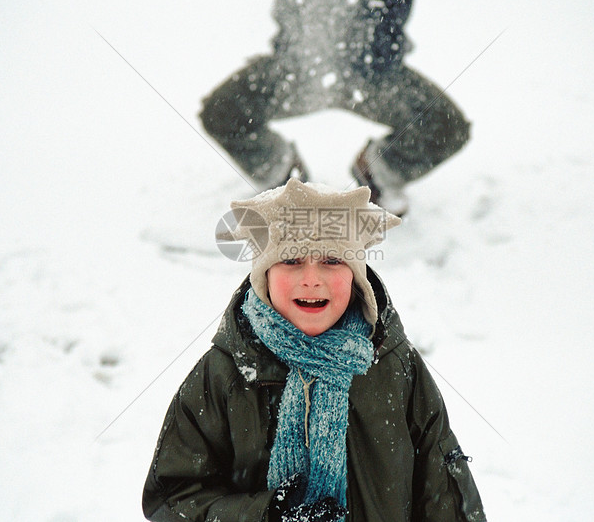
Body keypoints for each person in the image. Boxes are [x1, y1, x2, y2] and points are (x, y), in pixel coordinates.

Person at [142, 178, 486, 521]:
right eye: (291, 260)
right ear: (264, 276)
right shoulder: (226, 373)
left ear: (356, 276)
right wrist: (262, 516)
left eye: (332, 260)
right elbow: (172, 497)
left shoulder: (394, 366)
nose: (311, 278)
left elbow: (443, 493)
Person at [193, 0, 479, 216]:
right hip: (294, 74)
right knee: (222, 112)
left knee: (446, 127)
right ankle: (281, 173)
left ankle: (378, 171)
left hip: (375, 79)